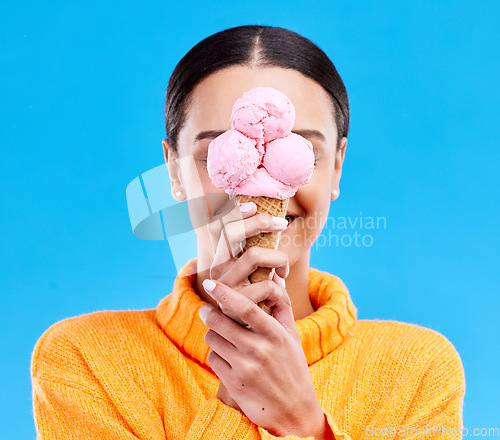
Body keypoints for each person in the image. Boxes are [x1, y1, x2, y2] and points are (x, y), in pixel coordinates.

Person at [31, 25, 465, 439]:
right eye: (222, 150)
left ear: (336, 166)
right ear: (174, 171)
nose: (259, 185)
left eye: (300, 151)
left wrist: (304, 423)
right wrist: (241, 391)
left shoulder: (418, 368)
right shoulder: (85, 359)